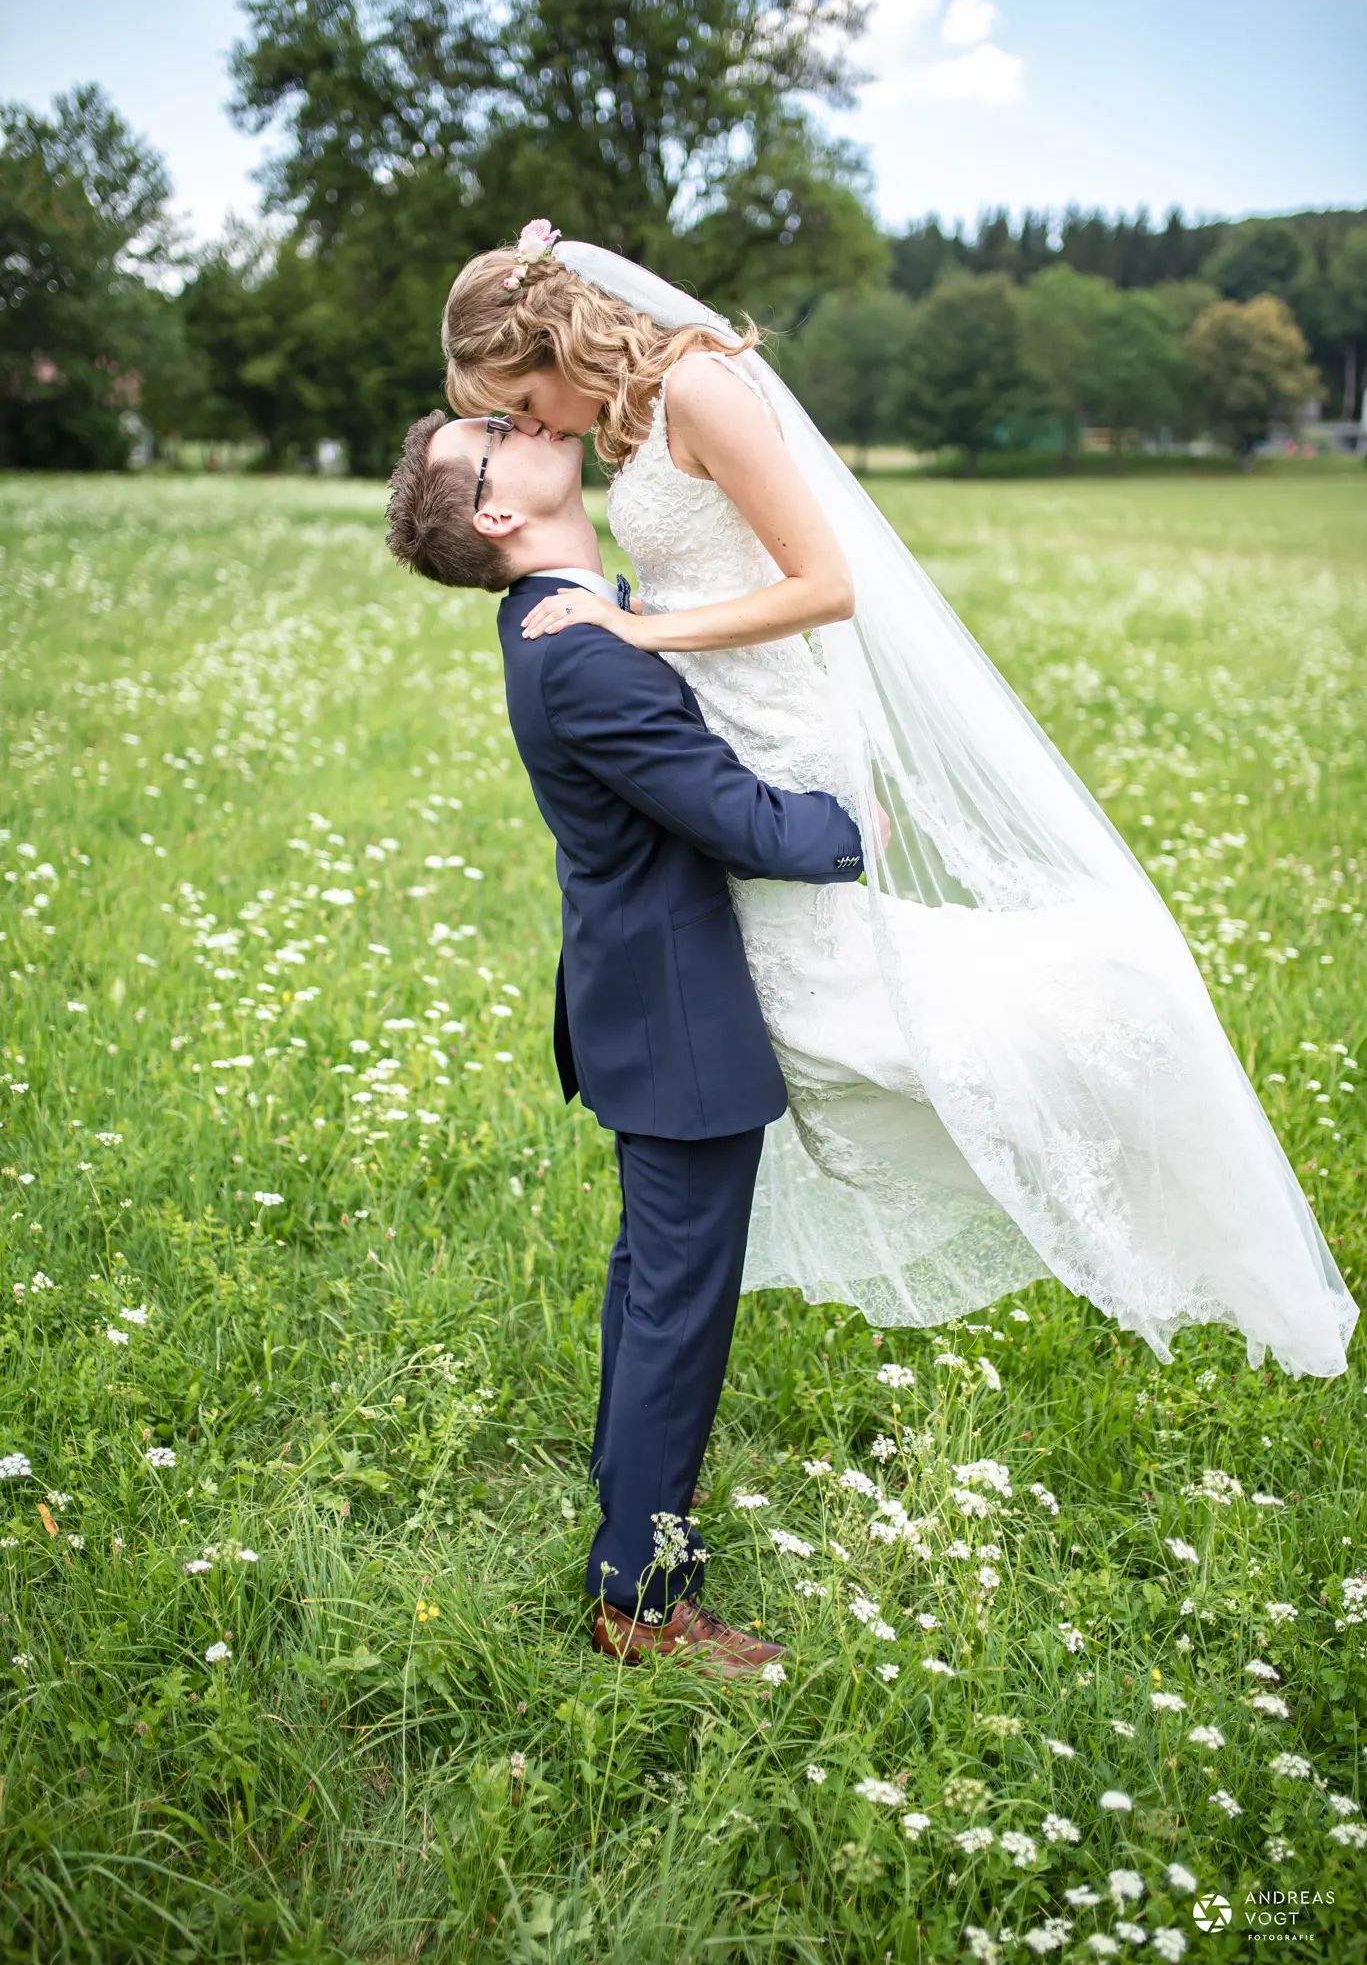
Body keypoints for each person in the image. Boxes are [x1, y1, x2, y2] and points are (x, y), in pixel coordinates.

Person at [433, 221, 1358, 1384]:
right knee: (804, 1015)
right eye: (511, 422)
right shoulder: (628, 418)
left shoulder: (702, 386)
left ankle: (1109, 1069)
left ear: (551, 335)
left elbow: (826, 585)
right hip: (727, 728)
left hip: (775, 730)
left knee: (836, 1011)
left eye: (519, 400)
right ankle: (685, 1274)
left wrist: (639, 630)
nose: (533, 428)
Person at [385, 406, 869, 1675]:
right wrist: (864, 820)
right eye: (493, 427)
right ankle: (638, 1603)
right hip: (673, 1023)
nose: (523, 414)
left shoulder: (573, 614)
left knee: (652, 1291)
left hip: (644, 1003)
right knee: (674, 1311)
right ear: (496, 511)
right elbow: (745, 824)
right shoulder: (583, 649)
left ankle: (624, 1528)